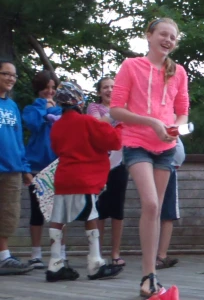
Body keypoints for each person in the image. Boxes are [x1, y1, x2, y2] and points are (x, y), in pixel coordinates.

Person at [110, 18, 190, 298]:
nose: (168, 40)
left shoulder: (178, 72)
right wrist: (152, 123)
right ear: (149, 35)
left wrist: (175, 129)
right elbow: (116, 109)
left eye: (173, 37)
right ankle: (147, 274)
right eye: (163, 34)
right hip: (136, 143)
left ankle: (150, 277)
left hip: (166, 148)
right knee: (151, 203)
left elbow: (183, 111)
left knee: (156, 210)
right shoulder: (131, 66)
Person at [46, 81, 124, 282]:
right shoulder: (87, 122)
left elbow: (55, 148)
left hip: (63, 177)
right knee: (91, 217)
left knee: (58, 219)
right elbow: (113, 141)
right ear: (78, 101)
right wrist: (120, 127)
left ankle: (55, 263)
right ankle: (95, 263)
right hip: (85, 177)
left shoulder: (57, 126)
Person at [23, 70, 62, 268]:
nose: (50, 91)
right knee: (37, 211)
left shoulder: (61, 110)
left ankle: (59, 252)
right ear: (39, 89)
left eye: (53, 88)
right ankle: (36, 254)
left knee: (60, 210)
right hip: (37, 166)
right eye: (46, 88)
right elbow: (33, 124)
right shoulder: (31, 108)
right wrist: (43, 107)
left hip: (58, 166)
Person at [89, 76, 128, 267]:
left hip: (120, 163)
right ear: (99, 91)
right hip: (99, 164)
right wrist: (116, 113)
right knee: (100, 209)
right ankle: (98, 252)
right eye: (105, 87)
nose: (109, 90)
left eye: (113, 87)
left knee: (118, 209)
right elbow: (98, 127)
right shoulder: (93, 108)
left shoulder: (125, 108)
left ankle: (115, 253)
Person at [0, 59, 34, 275]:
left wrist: (25, 168)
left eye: (14, 75)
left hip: (12, 169)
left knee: (8, 213)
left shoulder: (12, 106)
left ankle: (4, 257)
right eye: (6, 74)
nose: (11, 78)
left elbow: (18, 139)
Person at [156, 137, 185, 270]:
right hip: (165, 166)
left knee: (167, 213)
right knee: (163, 213)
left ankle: (161, 254)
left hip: (168, 166)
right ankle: (159, 256)